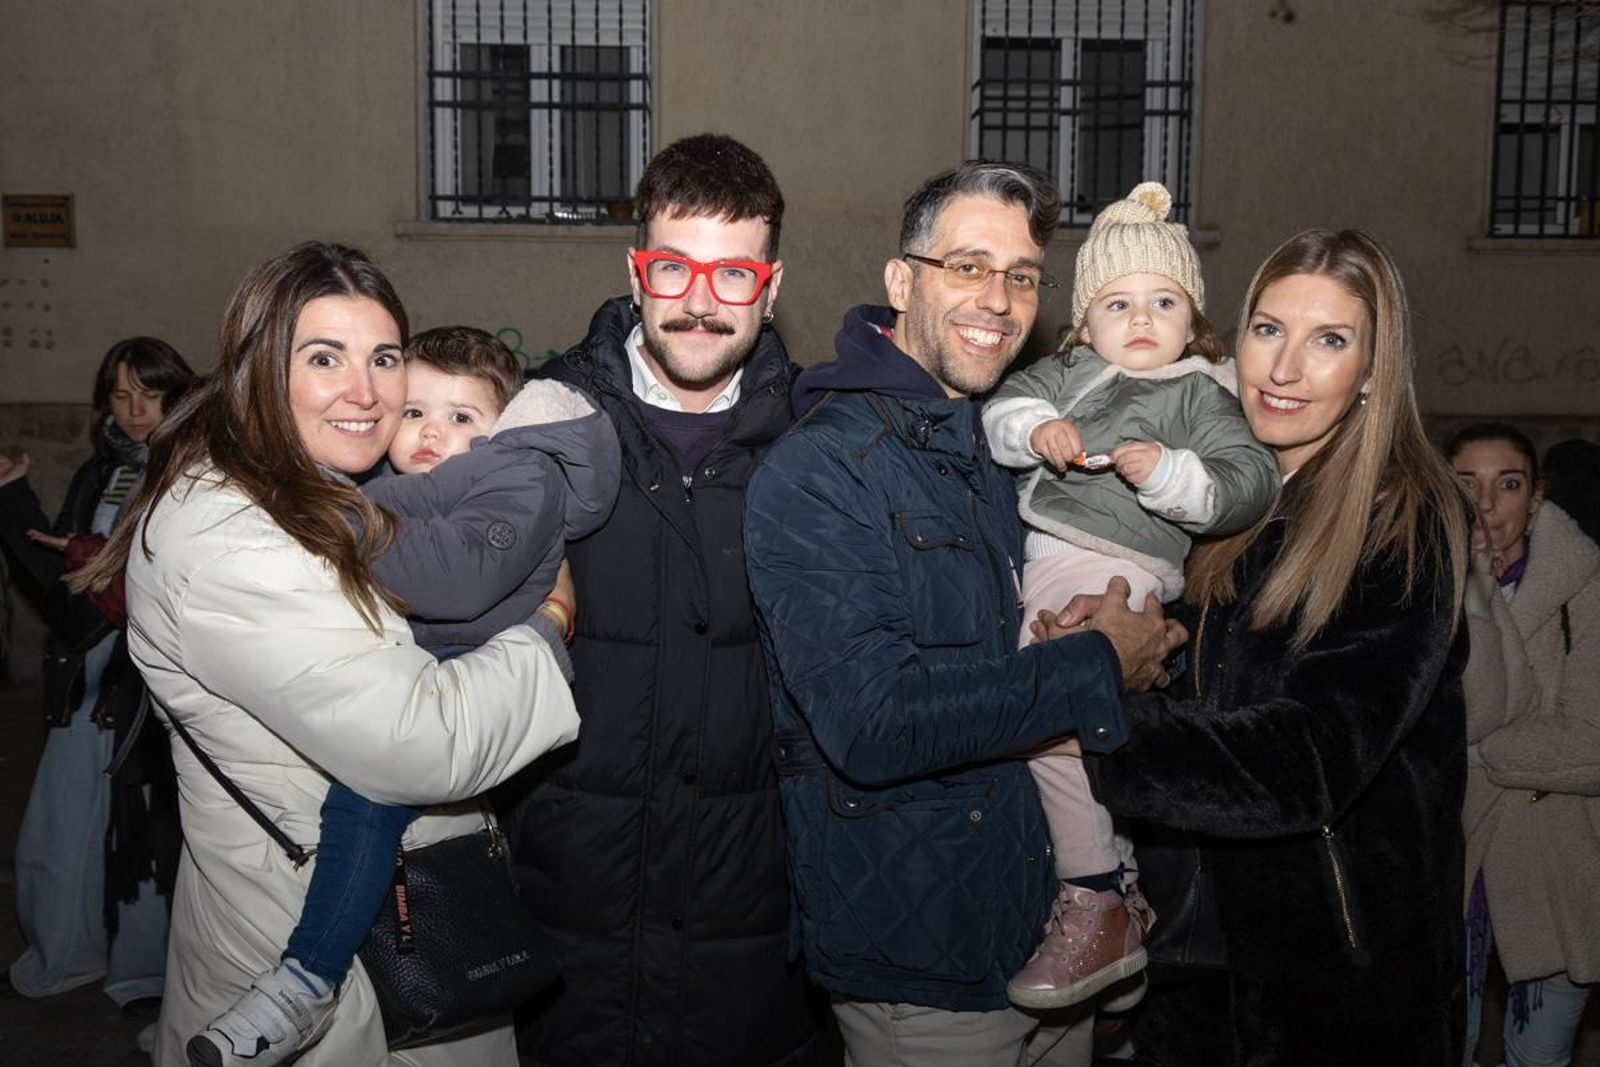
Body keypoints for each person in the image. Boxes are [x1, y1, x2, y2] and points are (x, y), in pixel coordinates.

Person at [71, 241, 583, 1067]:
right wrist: (550, 619)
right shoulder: (231, 535)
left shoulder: (327, 492)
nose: (366, 390)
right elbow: (423, 742)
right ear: (261, 370)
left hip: (408, 924)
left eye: (384, 358)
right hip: (311, 945)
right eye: (324, 357)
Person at [743, 160, 1183, 1066]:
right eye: (968, 266)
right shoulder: (823, 468)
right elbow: (872, 724)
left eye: (1022, 275)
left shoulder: (1005, 448)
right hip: (925, 959)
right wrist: (1095, 663)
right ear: (902, 280)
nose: (1000, 298)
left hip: (1049, 932)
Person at [1045, 229, 1470, 1065]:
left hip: (1340, 989)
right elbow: (1201, 694)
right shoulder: (1222, 502)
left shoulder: (1402, 520)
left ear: (1374, 372)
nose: (1283, 369)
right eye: (1269, 329)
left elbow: (1304, 762)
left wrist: (1098, 708)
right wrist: (1121, 637)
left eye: (1330, 340)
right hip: (1197, 974)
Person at [187, 325, 620, 1066]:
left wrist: (321, 518)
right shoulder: (380, 487)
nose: (430, 432)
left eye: (462, 417)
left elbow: (449, 576)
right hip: (430, 692)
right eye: (415, 410)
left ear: (503, 428)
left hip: (470, 691)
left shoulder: (515, 477)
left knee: (367, 804)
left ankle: (305, 978)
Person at [497, 133, 825, 1066]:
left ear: (770, 285)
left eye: (732, 276)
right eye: (674, 266)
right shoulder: (544, 423)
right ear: (635, 272)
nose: (698, 302)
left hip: (752, 941)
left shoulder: (819, 444)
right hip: (568, 929)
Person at [982, 181, 1277, 1010]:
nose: (1140, 319)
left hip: (1116, 575)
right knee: (1062, 738)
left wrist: (1174, 475)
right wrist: (1033, 430)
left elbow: (1248, 483)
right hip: (1044, 566)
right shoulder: (1071, 371)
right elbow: (999, 409)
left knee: (1048, 722)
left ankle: (1096, 898)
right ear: (1084, 322)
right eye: (1117, 303)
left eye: (1162, 300)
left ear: (1194, 318)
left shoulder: (1200, 392)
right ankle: (1119, 908)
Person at [0, 337, 193, 1014]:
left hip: (157, 670)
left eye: (151, 393)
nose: (137, 411)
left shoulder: (195, 469)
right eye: (121, 395)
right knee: (65, 813)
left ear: (178, 395)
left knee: (146, 827)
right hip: (89, 664)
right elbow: (60, 578)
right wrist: (12, 502)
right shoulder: (96, 472)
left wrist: (94, 562)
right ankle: (66, 951)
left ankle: (145, 973)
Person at [1451, 423, 1598, 1067]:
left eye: (1507, 485)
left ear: (1536, 498)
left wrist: (1478, 757)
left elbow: (1593, 742)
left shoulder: (1585, 587)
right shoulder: (1412, 586)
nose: (1487, 505)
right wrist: (1477, 591)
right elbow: (1480, 711)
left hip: (1557, 860)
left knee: (1539, 1056)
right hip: (1448, 859)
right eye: (1467, 484)